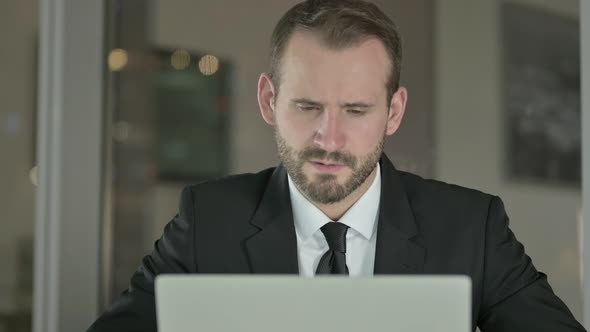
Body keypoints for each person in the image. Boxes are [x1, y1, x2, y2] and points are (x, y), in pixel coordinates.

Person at [87, 0, 586, 331]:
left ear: (393, 112)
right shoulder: (206, 220)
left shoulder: (471, 227)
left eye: (355, 110)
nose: (329, 138)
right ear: (268, 100)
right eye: (307, 107)